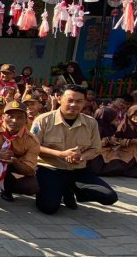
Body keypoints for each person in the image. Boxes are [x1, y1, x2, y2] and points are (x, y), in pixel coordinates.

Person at [31, 84, 118, 214]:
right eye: (70, 100)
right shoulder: (43, 120)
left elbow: (95, 148)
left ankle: (70, 189)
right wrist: (61, 154)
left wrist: (82, 157)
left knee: (109, 196)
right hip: (50, 169)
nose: (74, 105)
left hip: (77, 170)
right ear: (59, 98)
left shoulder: (91, 123)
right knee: (48, 208)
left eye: (79, 101)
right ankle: (59, 189)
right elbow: (33, 147)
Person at [89, 105, 137, 179]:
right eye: (135, 115)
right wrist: (131, 141)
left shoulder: (112, 128)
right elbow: (118, 139)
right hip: (101, 153)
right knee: (103, 168)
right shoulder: (123, 127)